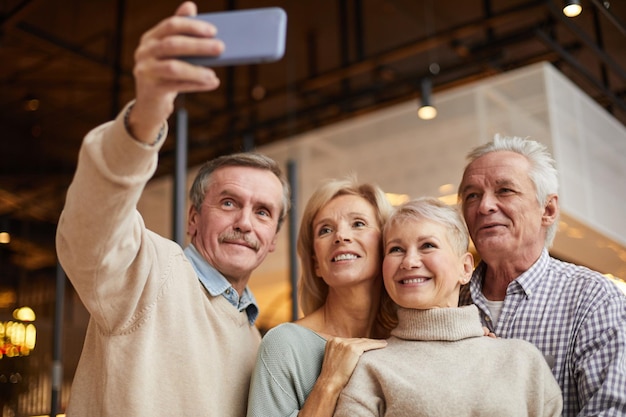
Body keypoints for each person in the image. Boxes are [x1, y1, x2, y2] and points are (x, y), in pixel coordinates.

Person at [55, 2, 290, 416]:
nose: (244, 223)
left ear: (273, 240)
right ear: (193, 218)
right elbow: (91, 231)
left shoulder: (259, 343)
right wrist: (145, 116)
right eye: (229, 202)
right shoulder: (150, 274)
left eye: (263, 212)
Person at [334, 197, 563, 417]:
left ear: (465, 268)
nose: (409, 261)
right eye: (396, 249)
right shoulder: (370, 367)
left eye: (427, 246)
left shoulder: (522, 360)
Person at [457, 134, 626, 416]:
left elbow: (611, 410)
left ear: (547, 210)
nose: (484, 206)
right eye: (472, 195)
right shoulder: (448, 300)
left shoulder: (593, 298)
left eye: (504, 191)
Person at [246, 177, 398, 417]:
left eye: (358, 223)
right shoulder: (284, 346)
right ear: (316, 263)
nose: (341, 236)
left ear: (387, 245)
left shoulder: (405, 339)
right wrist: (329, 381)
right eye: (325, 230)